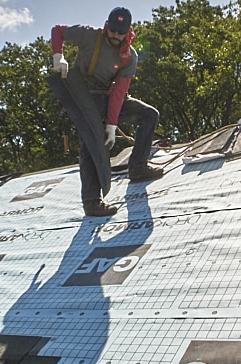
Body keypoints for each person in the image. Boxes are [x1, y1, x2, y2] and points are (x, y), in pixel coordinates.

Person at [52, 6, 164, 217]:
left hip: (109, 96)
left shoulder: (129, 57)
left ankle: (138, 167)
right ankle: (92, 202)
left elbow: (119, 93)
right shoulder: (89, 36)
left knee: (149, 115)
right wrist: (58, 56)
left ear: (127, 32)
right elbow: (58, 30)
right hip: (84, 96)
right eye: (112, 30)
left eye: (120, 32)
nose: (115, 36)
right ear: (107, 26)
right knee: (91, 142)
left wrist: (111, 125)